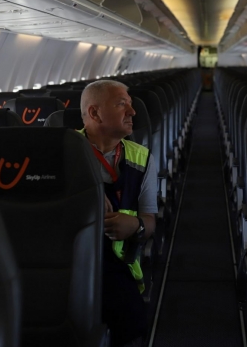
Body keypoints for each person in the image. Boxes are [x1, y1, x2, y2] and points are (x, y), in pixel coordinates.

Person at [80, 79, 157, 347]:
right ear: (95, 113)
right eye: (122, 104)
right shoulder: (64, 151)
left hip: (119, 268)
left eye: (131, 104)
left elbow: (150, 219)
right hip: (73, 263)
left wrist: (135, 225)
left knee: (130, 321)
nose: (132, 112)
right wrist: (87, 195)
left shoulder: (142, 157)